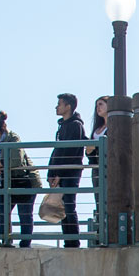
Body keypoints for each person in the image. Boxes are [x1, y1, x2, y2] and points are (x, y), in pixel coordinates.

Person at [0, 112, 40, 247]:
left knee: (24, 214)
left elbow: (15, 160)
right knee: (1, 213)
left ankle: (25, 244)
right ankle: (6, 241)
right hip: (3, 185)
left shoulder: (12, 138)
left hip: (22, 181)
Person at [49, 93, 87, 247]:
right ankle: (68, 241)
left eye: (59, 104)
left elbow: (70, 153)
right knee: (63, 206)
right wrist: (51, 173)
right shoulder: (63, 126)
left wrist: (59, 173)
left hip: (70, 172)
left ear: (68, 106)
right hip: (61, 172)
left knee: (69, 205)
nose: (56, 107)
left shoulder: (75, 125)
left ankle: (73, 241)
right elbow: (57, 151)